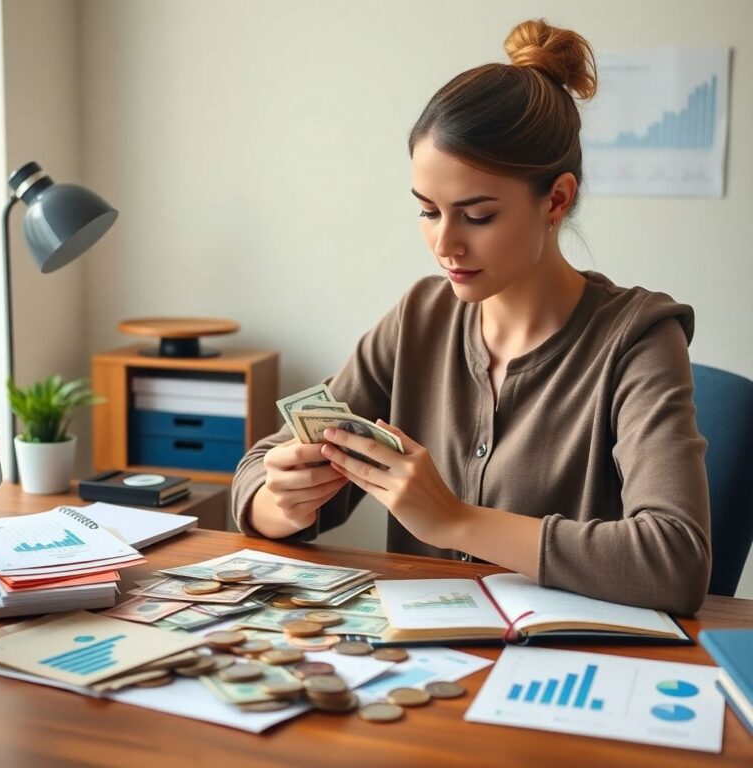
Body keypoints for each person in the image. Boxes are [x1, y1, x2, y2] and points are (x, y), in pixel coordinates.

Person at [232, 19, 710, 615]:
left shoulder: (638, 338)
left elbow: (675, 560)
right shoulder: (419, 318)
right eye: (428, 212)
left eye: (477, 216)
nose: (445, 245)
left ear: (556, 199)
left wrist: (454, 520)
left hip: (564, 661)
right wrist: (281, 501)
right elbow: (256, 471)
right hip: (421, 658)